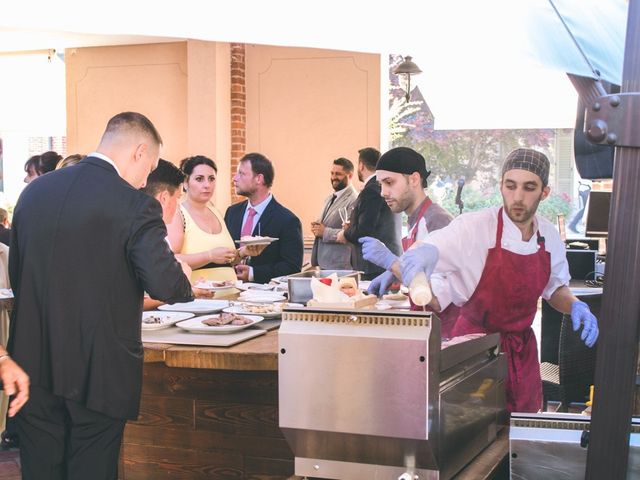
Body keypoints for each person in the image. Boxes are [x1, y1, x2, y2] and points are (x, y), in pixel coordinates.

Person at [8, 111, 194, 479]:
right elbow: (166, 285)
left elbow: (19, 276)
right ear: (140, 153)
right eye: (150, 166)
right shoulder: (135, 204)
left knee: (40, 471)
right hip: (99, 371)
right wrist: (183, 276)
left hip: (32, 367)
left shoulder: (32, 194)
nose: (145, 179)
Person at [398, 148, 599, 413]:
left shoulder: (548, 237)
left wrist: (574, 305)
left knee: (520, 433)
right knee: (470, 429)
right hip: (474, 353)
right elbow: (440, 244)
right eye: (510, 185)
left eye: (529, 187)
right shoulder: (475, 227)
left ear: (544, 192)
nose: (518, 197)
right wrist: (426, 251)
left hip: (522, 354)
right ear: (501, 186)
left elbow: (555, 288)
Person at [358, 147, 457, 335]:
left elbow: (434, 298)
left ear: (414, 179)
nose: (383, 193)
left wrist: (393, 263)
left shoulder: (436, 222)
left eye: (389, 182)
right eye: (381, 185)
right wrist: (395, 273)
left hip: (444, 334)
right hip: (428, 328)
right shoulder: (415, 220)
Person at [167, 155, 261, 285]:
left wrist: (242, 253)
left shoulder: (216, 212)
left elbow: (225, 261)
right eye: (199, 179)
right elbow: (169, 260)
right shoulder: (178, 214)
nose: (207, 185)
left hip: (231, 296)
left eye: (211, 179)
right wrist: (209, 256)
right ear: (185, 183)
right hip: (199, 300)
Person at [224, 152, 303, 283]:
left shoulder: (287, 220)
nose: (235, 178)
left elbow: (292, 267)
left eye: (241, 173)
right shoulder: (232, 212)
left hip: (265, 297)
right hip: (228, 290)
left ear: (259, 179)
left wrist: (253, 273)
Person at [336, 147, 402, 281]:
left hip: (374, 264)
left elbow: (364, 230)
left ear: (361, 166)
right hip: (386, 260)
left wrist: (345, 233)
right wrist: (353, 225)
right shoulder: (384, 187)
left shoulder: (371, 190)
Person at [310, 157, 358, 270]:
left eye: (338, 174)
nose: (333, 177)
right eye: (332, 173)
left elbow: (352, 232)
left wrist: (324, 232)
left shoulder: (354, 199)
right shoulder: (329, 198)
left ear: (350, 176)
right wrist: (317, 227)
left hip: (340, 265)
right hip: (324, 262)